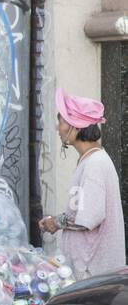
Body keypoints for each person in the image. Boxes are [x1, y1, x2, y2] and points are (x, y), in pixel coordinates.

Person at [40, 88, 126, 280]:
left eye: (61, 121)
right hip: (89, 272)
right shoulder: (90, 160)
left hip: (93, 274)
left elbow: (88, 218)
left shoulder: (95, 164)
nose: (58, 128)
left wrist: (56, 222)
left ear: (76, 126)